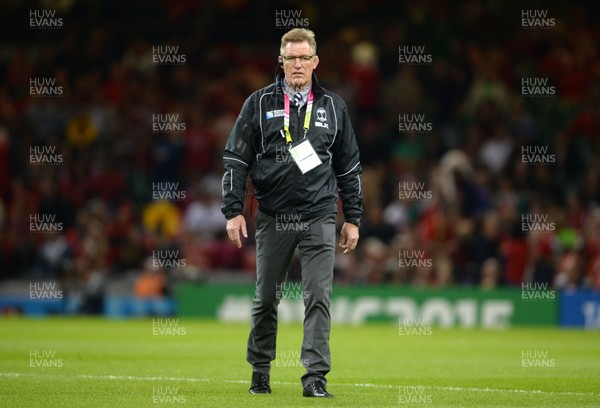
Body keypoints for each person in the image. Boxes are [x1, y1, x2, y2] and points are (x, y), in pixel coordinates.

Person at [221, 28, 363, 398]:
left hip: (319, 214)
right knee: (267, 296)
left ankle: (315, 377)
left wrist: (354, 217)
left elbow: (349, 166)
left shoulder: (334, 107)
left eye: (304, 57)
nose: (297, 64)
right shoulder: (258, 103)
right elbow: (236, 158)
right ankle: (260, 371)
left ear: (315, 62)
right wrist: (233, 210)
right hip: (273, 214)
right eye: (290, 58)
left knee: (319, 295)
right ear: (280, 62)